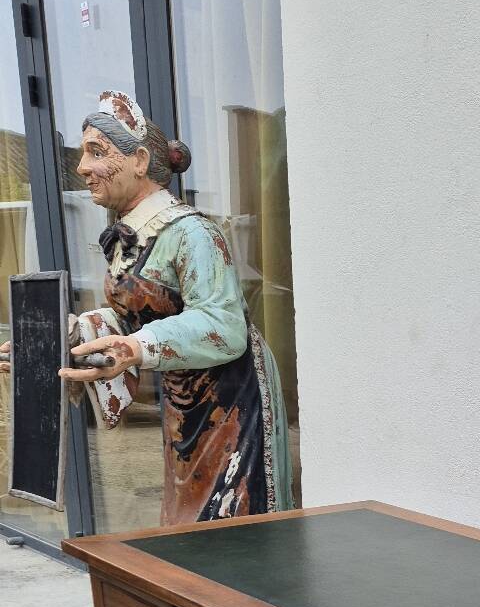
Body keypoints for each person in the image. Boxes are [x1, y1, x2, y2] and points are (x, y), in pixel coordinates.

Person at [5, 90, 292, 523]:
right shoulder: (133, 237)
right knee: (186, 513)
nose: (82, 167)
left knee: (226, 517)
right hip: (185, 398)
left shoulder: (192, 233)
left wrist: (136, 348)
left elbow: (223, 324)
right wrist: (56, 343)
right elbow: (136, 318)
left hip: (230, 400)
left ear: (139, 160)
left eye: (96, 152)